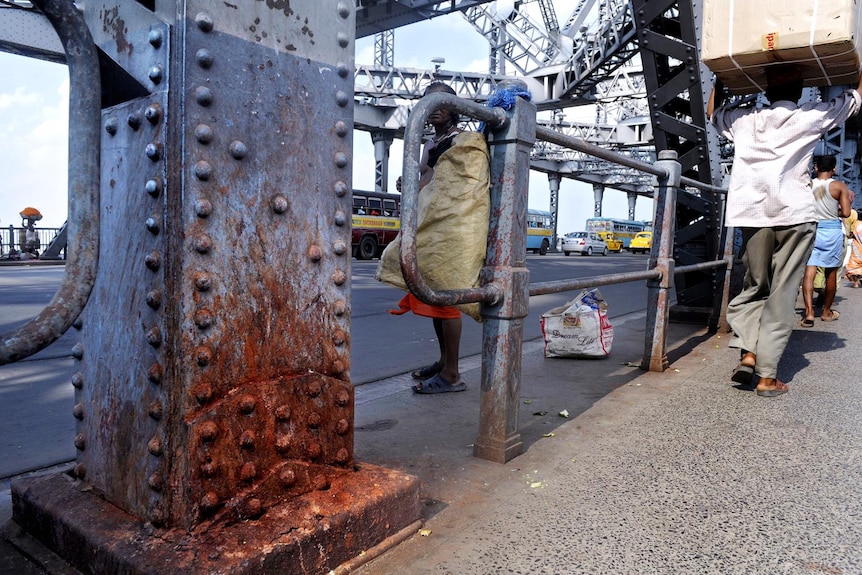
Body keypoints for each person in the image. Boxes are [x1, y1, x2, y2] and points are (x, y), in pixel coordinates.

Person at [707, 64, 862, 397]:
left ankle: (748, 353)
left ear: (764, 91)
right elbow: (854, 99)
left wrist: (721, 79)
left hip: (752, 214)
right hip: (795, 214)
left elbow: (713, 113)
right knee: (781, 293)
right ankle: (766, 377)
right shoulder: (811, 116)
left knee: (754, 285)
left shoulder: (745, 121)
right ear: (800, 90)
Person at [383, 82, 487, 394]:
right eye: (430, 102)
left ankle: (453, 375)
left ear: (456, 108)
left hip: (452, 228)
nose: (436, 107)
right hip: (432, 223)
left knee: (448, 299)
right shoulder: (431, 144)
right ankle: (444, 362)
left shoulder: (464, 142)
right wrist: (411, 181)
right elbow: (429, 178)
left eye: (442, 102)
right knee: (432, 294)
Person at [800, 155, 853, 326]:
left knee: (810, 269)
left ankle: (808, 313)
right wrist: (832, 213)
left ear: (815, 168)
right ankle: (826, 312)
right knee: (831, 271)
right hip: (831, 231)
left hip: (812, 229)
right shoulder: (839, 186)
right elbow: (845, 212)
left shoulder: (808, 185)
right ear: (834, 169)